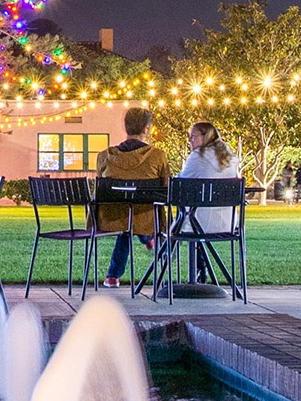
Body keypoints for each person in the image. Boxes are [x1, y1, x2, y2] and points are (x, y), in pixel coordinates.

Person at [95, 106, 170, 287]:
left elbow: (99, 189)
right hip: (146, 217)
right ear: (146, 128)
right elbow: (167, 188)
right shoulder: (158, 156)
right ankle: (147, 238)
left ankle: (113, 276)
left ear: (126, 127)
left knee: (126, 227)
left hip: (113, 216)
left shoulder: (104, 156)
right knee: (134, 217)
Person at [180, 121, 242, 231]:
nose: (190, 140)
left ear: (205, 136)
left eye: (193, 136)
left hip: (199, 223)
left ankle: (164, 246)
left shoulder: (198, 156)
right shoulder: (230, 159)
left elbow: (181, 182)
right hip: (228, 223)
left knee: (175, 224)